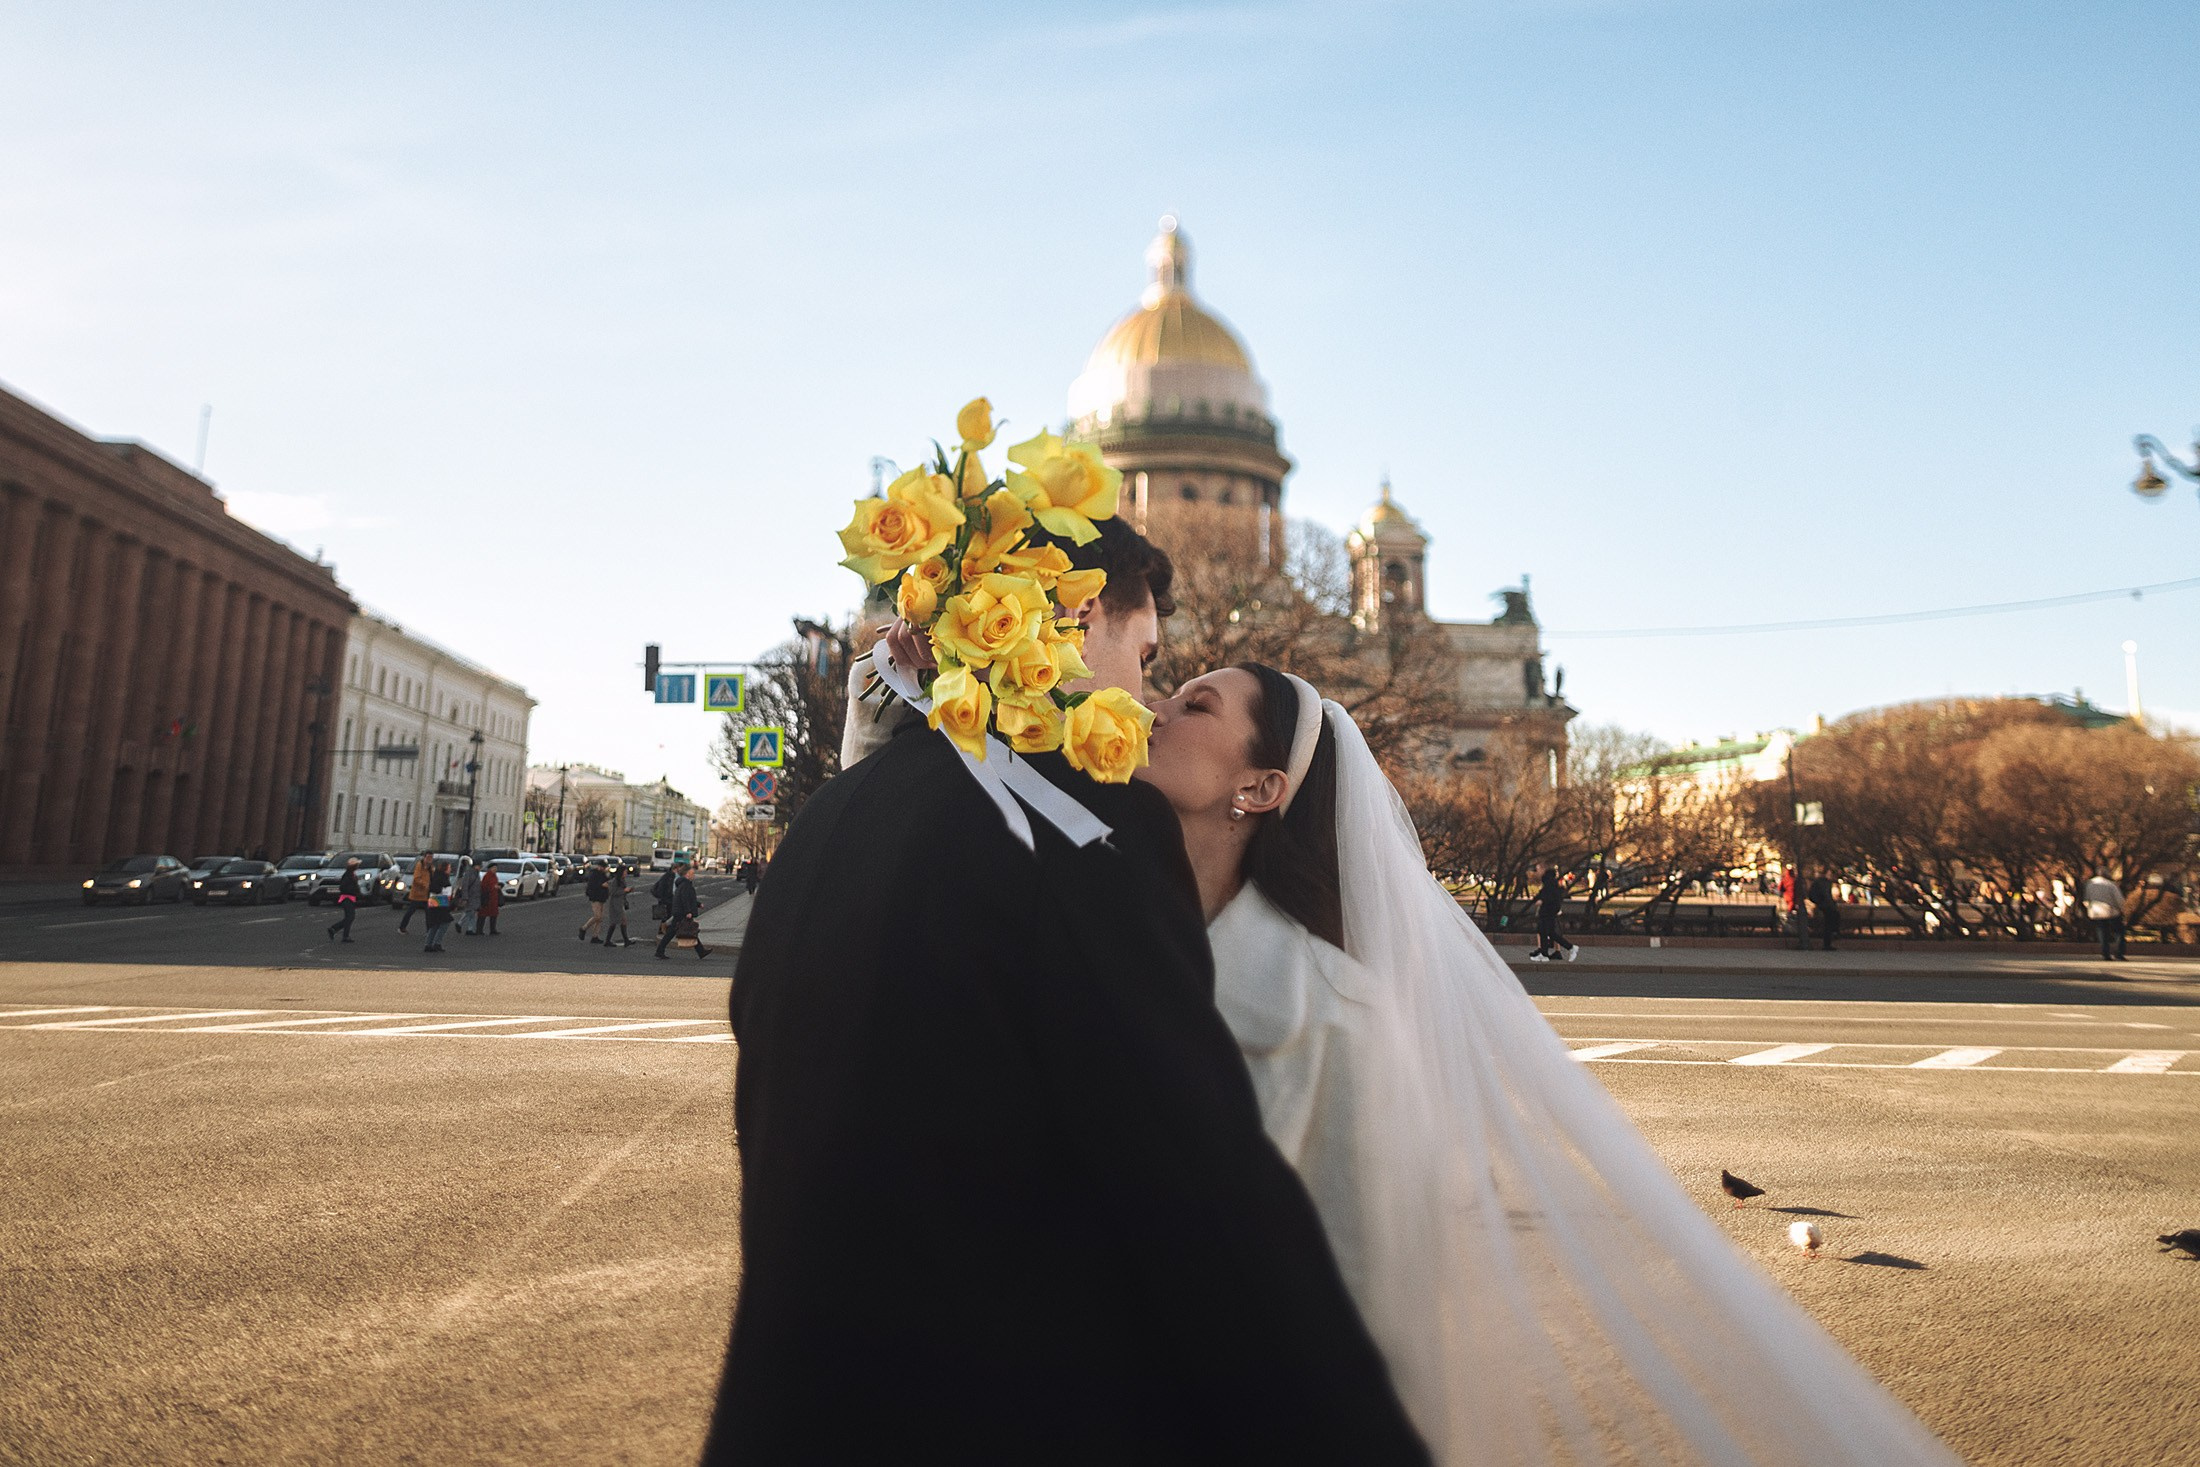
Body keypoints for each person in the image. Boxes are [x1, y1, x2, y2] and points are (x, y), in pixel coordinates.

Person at [702, 519, 1427, 1464]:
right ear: (1084, 611)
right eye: (1150, 655)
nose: (1147, 700)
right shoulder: (1082, 822)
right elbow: (1205, 1207)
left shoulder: (830, 819)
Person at [1134, 663, 1961, 1467]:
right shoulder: (1135, 939)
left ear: (1261, 787)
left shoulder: (1331, 1008)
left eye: (1195, 705)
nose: (1154, 708)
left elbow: (1371, 1286)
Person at [654, 858, 712, 961]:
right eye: (692, 873)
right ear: (687, 874)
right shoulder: (685, 885)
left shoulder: (684, 884)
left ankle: (701, 951)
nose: (693, 875)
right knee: (683, 931)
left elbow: (688, 899)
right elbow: (685, 899)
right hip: (681, 912)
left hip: (679, 911)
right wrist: (688, 912)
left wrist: (698, 904)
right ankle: (660, 951)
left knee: (686, 930)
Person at [1527, 861, 1577, 963]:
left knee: (1548, 931)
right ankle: (1544, 954)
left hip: (1548, 910)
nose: (1536, 872)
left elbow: (1549, 895)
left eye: (1538, 869)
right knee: (1544, 931)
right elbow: (1544, 893)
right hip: (1548, 909)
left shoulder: (1549, 881)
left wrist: (1541, 900)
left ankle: (1570, 947)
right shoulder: (1548, 880)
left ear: (1543, 869)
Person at [2083, 869, 2127, 961]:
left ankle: (2105, 953)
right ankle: (2119, 952)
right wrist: (2122, 910)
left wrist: (2089, 908)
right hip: (2111, 911)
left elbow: (2086, 899)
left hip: (2095, 911)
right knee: (2119, 931)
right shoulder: (2110, 884)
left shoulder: (2089, 884)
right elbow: (2119, 899)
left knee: (2102, 933)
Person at [325, 857, 362, 943]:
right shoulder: (348, 875)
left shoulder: (352, 874)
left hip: (350, 898)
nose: (358, 866)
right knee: (350, 917)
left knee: (349, 917)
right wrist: (353, 891)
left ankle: (338, 931)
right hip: (347, 898)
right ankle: (338, 931)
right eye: (357, 865)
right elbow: (343, 887)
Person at [421, 862, 454, 953]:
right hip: (440, 901)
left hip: (435, 902)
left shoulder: (437, 875)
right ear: (445, 868)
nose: (450, 869)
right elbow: (434, 888)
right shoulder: (441, 877)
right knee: (445, 922)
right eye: (449, 867)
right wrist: (444, 890)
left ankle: (428, 944)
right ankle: (436, 943)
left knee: (435, 924)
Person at [396, 856, 431, 933]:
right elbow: (416, 878)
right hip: (417, 894)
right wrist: (425, 884)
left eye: (431, 858)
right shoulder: (419, 866)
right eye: (428, 857)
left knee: (429, 913)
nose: (429, 860)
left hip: (426, 894)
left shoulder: (431, 868)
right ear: (424, 858)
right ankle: (402, 927)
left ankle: (429, 930)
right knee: (411, 911)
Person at [604, 862, 634, 946]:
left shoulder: (622, 881)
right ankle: (624, 940)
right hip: (615, 903)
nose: (626, 873)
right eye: (625, 871)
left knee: (618, 921)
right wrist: (624, 891)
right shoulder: (615, 881)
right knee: (618, 921)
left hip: (620, 903)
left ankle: (623, 940)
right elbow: (613, 892)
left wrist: (628, 891)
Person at [1808, 871, 1840, 951]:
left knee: (1829, 923)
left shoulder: (1822, 882)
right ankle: (1828, 941)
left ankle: (1829, 941)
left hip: (1824, 905)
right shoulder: (1824, 883)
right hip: (1826, 906)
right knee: (1829, 924)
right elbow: (1826, 895)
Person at [580, 860, 610, 942]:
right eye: (603, 867)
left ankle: (595, 936)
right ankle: (584, 928)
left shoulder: (603, 874)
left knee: (600, 918)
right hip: (595, 897)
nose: (604, 869)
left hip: (602, 897)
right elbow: (602, 884)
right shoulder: (594, 874)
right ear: (599, 866)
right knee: (597, 916)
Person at [453, 858, 481, 936]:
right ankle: (460, 924)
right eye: (479, 866)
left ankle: (470, 929)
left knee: (472, 912)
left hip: (475, 896)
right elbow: (465, 885)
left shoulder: (476, 873)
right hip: (470, 896)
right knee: (470, 912)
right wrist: (465, 897)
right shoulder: (469, 873)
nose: (479, 867)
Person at [478, 860, 503, 936]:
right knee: (483, 914)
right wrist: (494, 887)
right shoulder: (487, 876)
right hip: (487, 898)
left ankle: (493, 929)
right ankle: (479, 930)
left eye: (496, 868)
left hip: (494, 898)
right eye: (494, 868)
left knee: (494, 914)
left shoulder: (494, 876)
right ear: (490, 869)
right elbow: (484, 887)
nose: (495, 869)